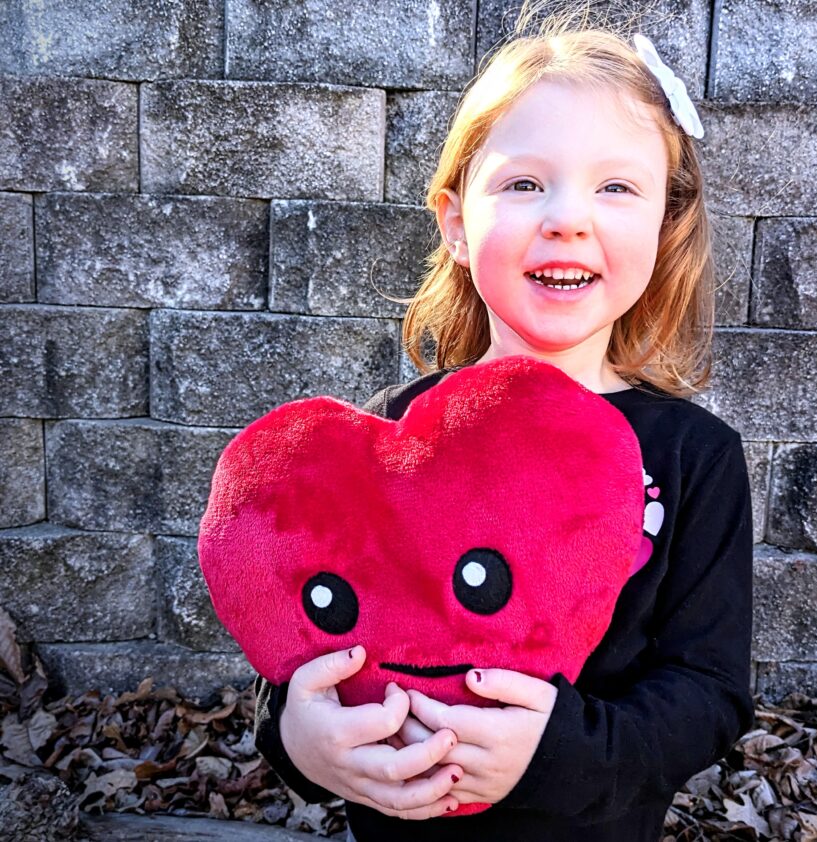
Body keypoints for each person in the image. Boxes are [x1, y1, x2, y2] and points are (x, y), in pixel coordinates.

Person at [252, 7, 755, 841]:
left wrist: (560, 747)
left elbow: (707, 692)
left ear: (666, 229)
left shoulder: (694, 458)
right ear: (455, 221)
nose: (568, 216)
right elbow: (307, 629)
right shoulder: (389, 440)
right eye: (524, 183)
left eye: (616, 186)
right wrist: (298, 738)